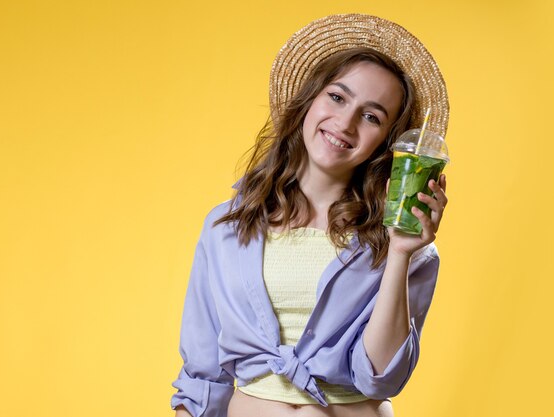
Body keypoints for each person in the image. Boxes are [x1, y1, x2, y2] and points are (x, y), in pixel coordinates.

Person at [171, 14, 450, 417]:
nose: (346, 123)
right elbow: (201, 377)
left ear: (388, 143)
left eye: (371, 116)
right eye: (337, 97)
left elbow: (381, 377)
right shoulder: (226, 228)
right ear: (310, 99)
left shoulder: (407, 246)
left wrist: (400, 252)